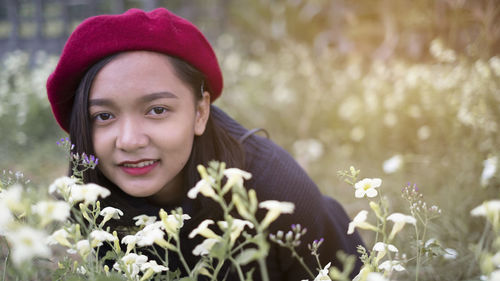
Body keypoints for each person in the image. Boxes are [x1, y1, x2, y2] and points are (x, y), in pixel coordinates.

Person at [46, 7, 364, 280]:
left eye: (157, 110)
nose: (129, 141)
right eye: (103, 116)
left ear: (200, 112)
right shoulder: (93, 196)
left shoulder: (274, 189)